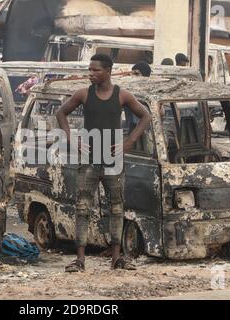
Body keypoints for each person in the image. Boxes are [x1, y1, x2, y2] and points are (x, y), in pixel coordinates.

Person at [56, 54, 151, 272]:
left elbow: (145, 116)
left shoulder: (122, 95)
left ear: (108, 71)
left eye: (95, 70)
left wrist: (130, 142)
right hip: (89, 160)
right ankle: (80, 260)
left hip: (113, 160)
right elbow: (61, 113)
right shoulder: (84, 94)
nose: (91, 73)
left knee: (116, 208)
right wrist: (71, 138)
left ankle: (117, 259)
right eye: (89, 70)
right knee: (82, 208)